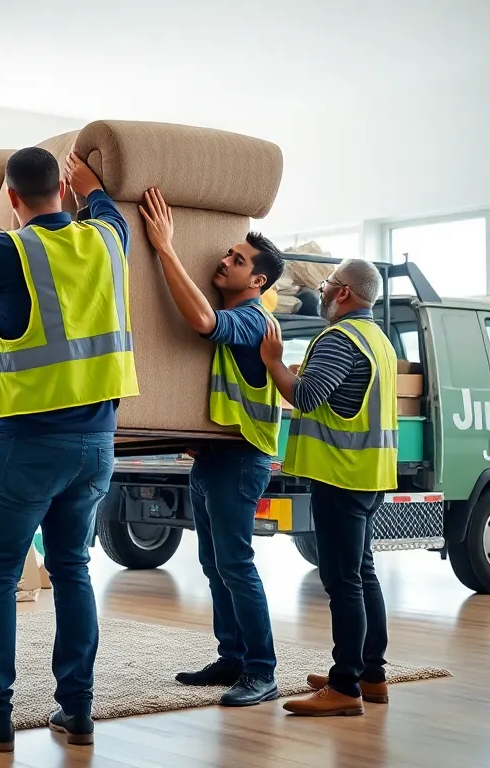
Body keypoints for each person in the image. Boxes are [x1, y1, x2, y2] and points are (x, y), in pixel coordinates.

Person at [0, 148, 137, 752]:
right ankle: (77, 711)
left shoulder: (4, 249)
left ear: (11, 197)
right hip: (99, 444)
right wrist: (91, 187)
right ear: (64, 190)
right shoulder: (107, 238)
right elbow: (109, 212)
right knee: (72, 569)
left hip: (30, 443)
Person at [138, 187, 286, 707]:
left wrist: (164, 246)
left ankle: (262, 671)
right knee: (215, 565)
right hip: (214, 458)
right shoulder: (241, 315)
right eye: (228, 253)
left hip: (240, 460)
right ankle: (233, 657)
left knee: (235, 565)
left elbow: (203, 323)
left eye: (238, 260)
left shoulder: (253, 319)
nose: (225, 261)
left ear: (258, 280)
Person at [260, 257, 397, 717]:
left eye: (328, 283)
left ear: (343, 293)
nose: (321, 290)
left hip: (340, 474)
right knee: (362, 574)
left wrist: (274, 362)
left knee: (343, 582)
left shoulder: (340, 338)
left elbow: (304, 396)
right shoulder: (377, 339)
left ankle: (344, 687)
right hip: (369, 475)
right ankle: (370, 675)